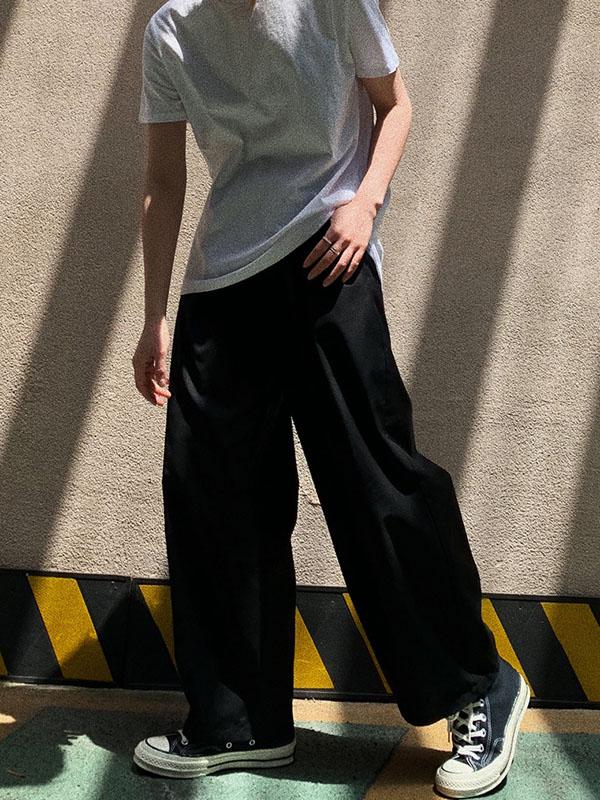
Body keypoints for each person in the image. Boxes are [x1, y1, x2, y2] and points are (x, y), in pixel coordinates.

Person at [131, 0, 530, 796]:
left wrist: (364, 201)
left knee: (375, 483)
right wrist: (154, 315)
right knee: (213, 499)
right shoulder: (169, 30)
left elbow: (395, 106)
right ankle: (240, 721)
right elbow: (163, 181)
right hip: (222, 283)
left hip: (329, 260)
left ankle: (479, 686)